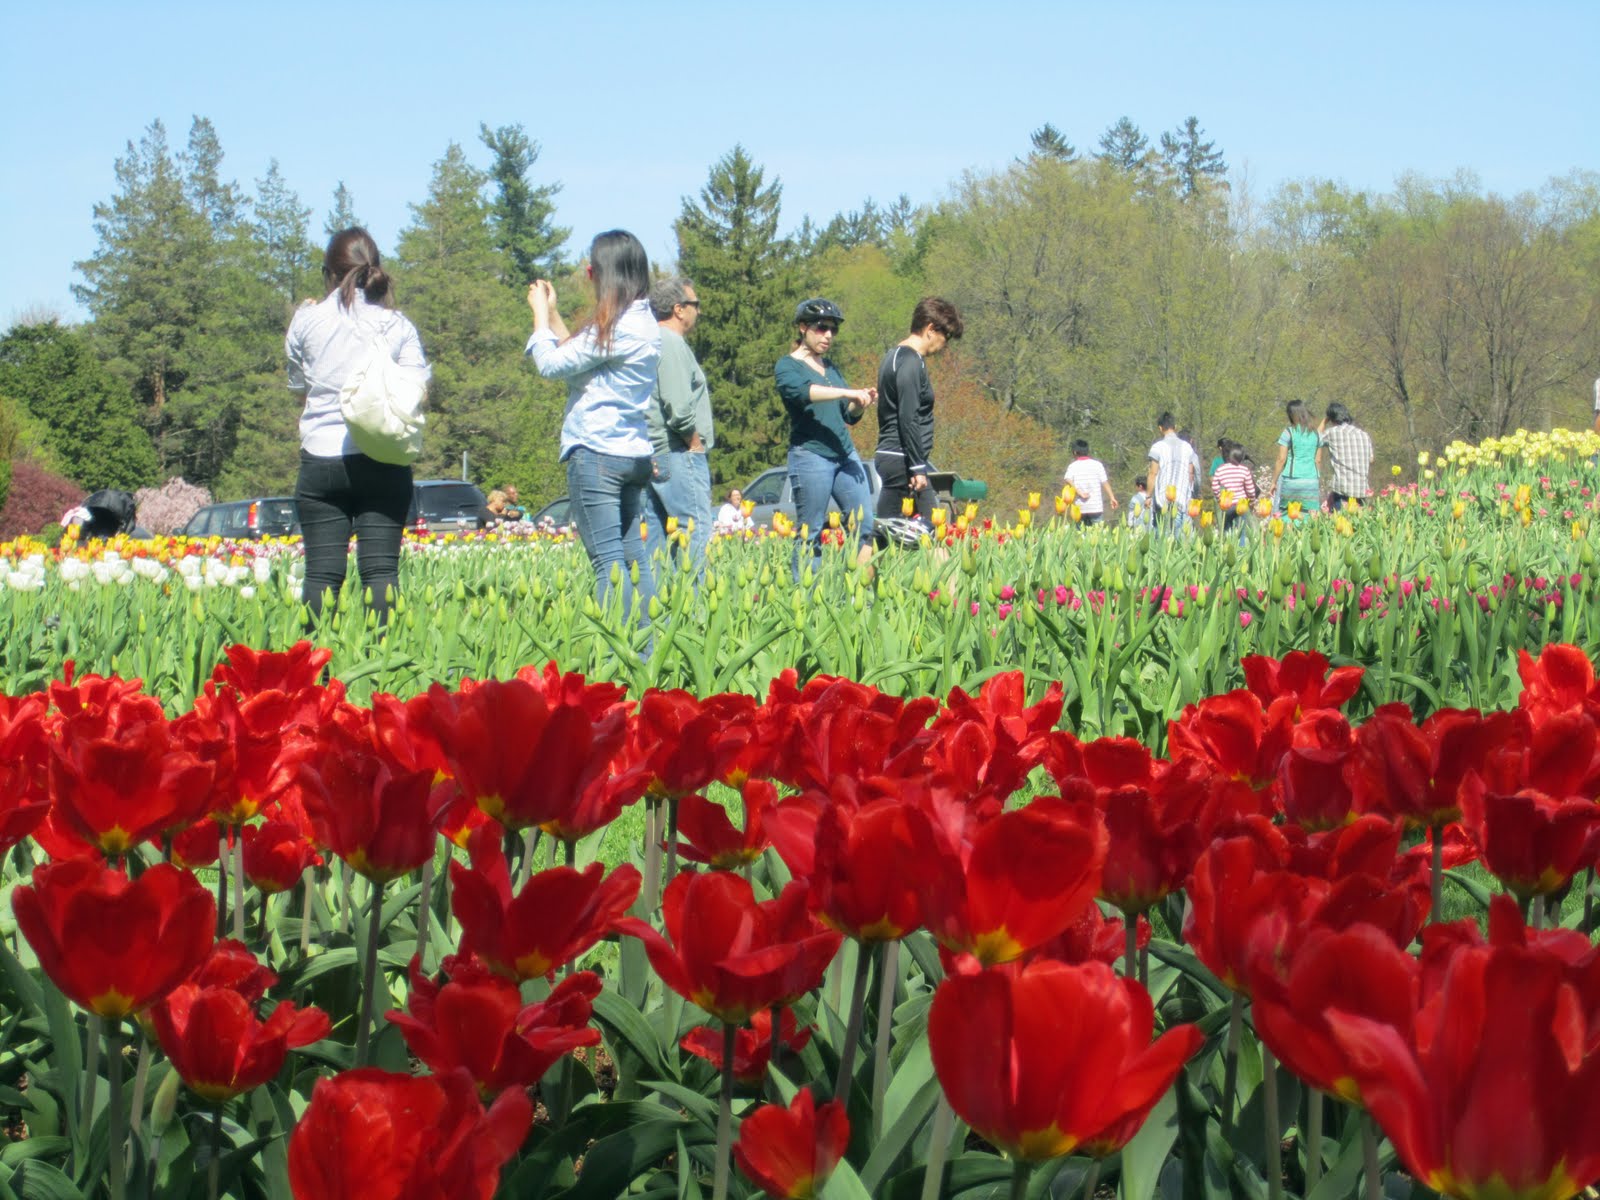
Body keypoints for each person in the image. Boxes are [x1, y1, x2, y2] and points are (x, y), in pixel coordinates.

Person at [287, 227, 428, 624]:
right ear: (375, 271)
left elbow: (298, 386)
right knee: (382, 573)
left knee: (320, 575)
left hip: (321, 457)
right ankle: (384, 674)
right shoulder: (396, 325)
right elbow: (417, 388)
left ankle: (317, 679)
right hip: (382, 456)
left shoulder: (306, 321)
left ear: (326, 273)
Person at [526, 230, 660, 621]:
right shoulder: (640, 323)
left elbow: (551, 365)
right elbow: (577, 357)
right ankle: (650, 649)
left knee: (608, 565)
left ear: (604, 274)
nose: (589, 277)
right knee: (635, 559)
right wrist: (553, 314)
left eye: (591, 270)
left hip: (597, 454)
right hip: (632, 454)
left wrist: (537, 312)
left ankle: (618, 655)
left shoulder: (617, 328)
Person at [775, 298, 877, 577]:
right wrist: (847, 392)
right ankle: (806, 604)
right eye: (822, 328)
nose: (828, 335)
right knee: (811, 531)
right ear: (803, 328)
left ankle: (861, 598)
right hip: (811, 455)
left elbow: (849, 415)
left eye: (833, 330)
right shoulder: (788, 366)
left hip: (844, 454)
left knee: (865, 526)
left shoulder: (830, 368)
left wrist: (861, 401)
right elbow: (803, 392)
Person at [643, 277, 715, 577]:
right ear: (678, 309)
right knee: (694, 533)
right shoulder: (670, 343)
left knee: (658, 544)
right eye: (695, 304)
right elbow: (678, 407)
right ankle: (698, 616)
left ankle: (657, 618)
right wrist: (694, 443)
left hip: (654, 454)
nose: (698, 311)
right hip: (678, 452)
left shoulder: (650, 341)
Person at [874, 297, 963, 524]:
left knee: (884, 535)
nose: (945, 345)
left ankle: (864, 559)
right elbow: (908, 418)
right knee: (933, 529)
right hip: (902, 461)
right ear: (931, 329)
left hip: (893, 456)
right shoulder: (912, 362)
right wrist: (917, 467)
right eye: (946, 337)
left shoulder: (892, 356)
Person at [1273, 400, 1323, 516]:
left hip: (1292, 479)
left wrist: (1273, 481)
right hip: (1311, 480)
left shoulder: (1288, 432)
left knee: (1287, 513)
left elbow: (1281, 459)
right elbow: (1318, 460)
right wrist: (1317, 478)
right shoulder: (1317, 434)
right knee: (1311, 514)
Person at [1320, 402, 1374, 511]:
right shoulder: (1363, 434)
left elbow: (1314, 439)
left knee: (1342, 524)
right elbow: (1371, 459)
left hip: (1343, 490)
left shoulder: (1332, 432)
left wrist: (1323, 422)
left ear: (1332, 419)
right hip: (1361, 490)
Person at [1146, 412, 1197, 526]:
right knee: (1178, 536)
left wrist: (1148, 496)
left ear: (1160, 428)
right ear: (1175, 427)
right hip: (1181, 497)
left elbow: (1153, 473)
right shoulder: (1187, 447)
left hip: (1162, 499)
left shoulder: (1157, 447)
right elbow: (1190, 473)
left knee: (1161, 537)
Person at [1062, 439, 1118, 525]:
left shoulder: (1073, 466)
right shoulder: (1097, 465)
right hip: (1096, 506)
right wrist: (1112, 497)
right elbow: (1105, 482)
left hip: (1080, 507)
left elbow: (1067, 479)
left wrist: (1079, 492)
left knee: (1080, 535)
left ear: (1075, 452)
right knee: (1097, 534)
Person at [1211, 443, 1258, 532]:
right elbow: (1250, 490)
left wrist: (1219, 498)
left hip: (1226, 504)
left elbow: (1214, 486)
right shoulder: (1244, 470)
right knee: (1241, 530)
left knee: (1226, 529)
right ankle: (1241, 545)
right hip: (1241, 503)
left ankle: (1226, 544)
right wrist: (1252, 500)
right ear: (1242, 457)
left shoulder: (1220, 469)